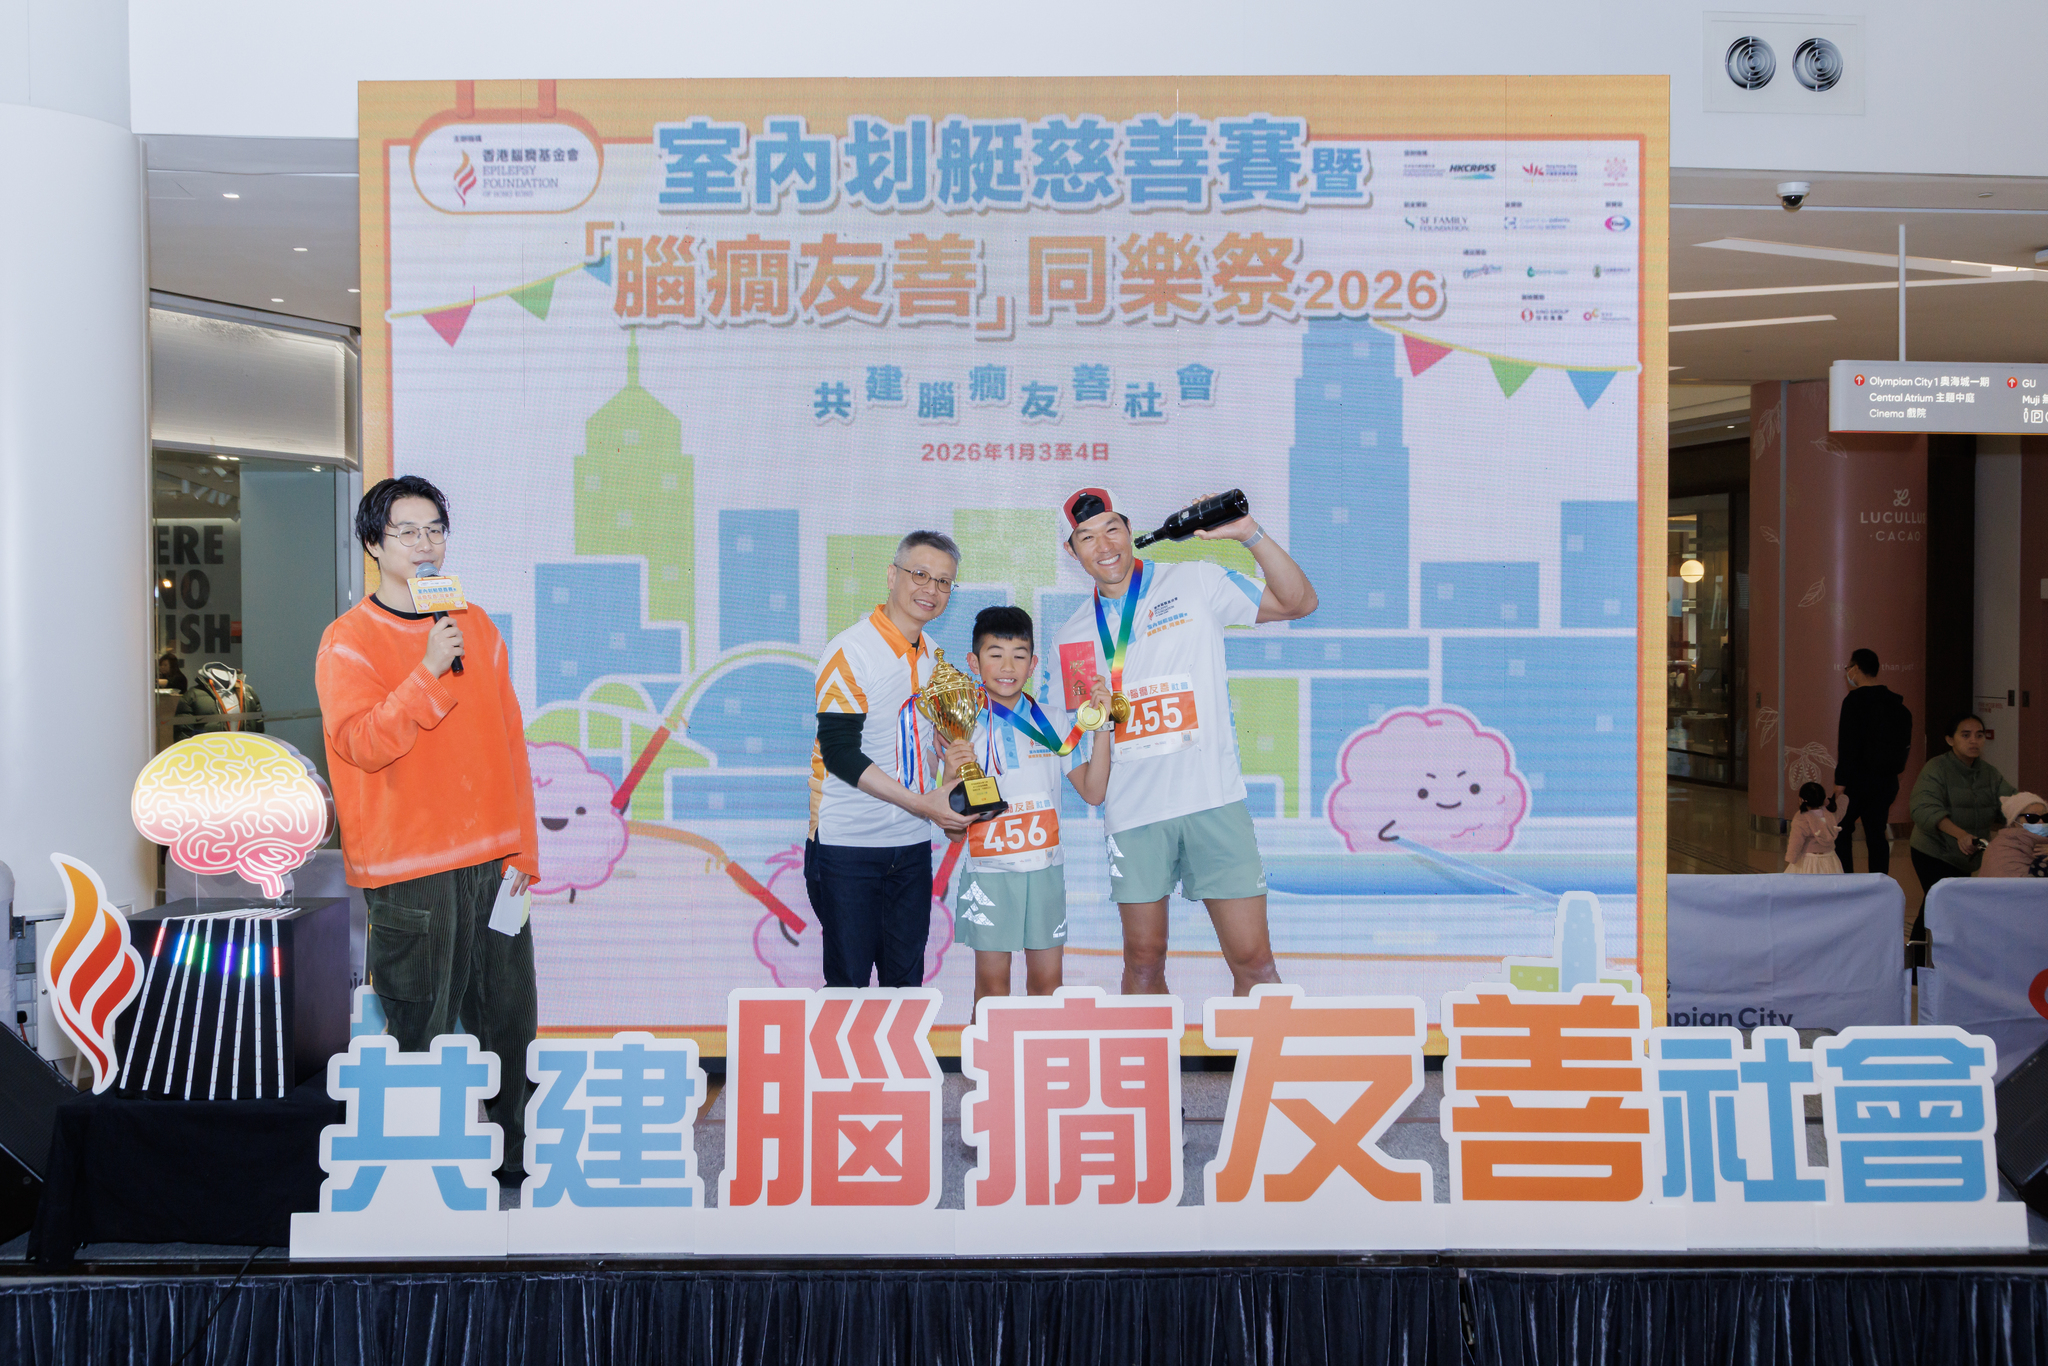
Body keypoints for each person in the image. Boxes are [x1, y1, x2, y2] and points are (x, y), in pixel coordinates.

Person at [315, 474, 539, 1187]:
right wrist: (427, 672)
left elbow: (509, 741)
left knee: (509, 1022)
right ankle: (418, 1174)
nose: (424, 544)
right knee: (422, 1028)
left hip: (493, 860)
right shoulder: (348, 641)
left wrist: (525, 848)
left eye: (435, 529)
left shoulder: (476, 626)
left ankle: (510, 1162)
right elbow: (361, 743)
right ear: (373, 545)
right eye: (407, 531)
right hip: (410, 868)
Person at [1052, 487, 1318, 997]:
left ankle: (1261, 1051)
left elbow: (1298, 602)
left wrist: (1248, 534)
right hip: (1134, 816)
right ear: (1072, 551)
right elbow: (1084, 741)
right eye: (1086, 537)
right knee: (1143, 963)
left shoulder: (1195, 580)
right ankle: (1146, 1053)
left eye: (1112, 529)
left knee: (1254, 962)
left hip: (1212, 801)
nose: (1104, 545)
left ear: (1129, 531)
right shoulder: (1072, 636)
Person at [808, 530, 975, 989]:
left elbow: (927, 750)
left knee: (906, 987)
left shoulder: (935, 657)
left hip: (911, 849)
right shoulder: (850, 650)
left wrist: (949, 779)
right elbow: (840, 752)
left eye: (944, 582)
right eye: (919, 574)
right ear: (891, 575)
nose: (931, 589)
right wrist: (923, 805)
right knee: (848, 989)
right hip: (847, 848)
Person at [938, 605, 1115, 1015]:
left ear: (1033, 664)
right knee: (991, 989)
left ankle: (1042, 1058)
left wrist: (1104, 726)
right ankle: (988, 1057)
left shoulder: (1052, 721)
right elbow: (953, 831)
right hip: (989, 874)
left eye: (1019, 655)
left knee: (1048, 987)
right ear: (973, 662)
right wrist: (948, 775)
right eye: (995, 654)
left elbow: (1093, 792)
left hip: (1044, 874)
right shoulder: (959, 726)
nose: (1007, 667)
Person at [1908, 714, 2015, 933]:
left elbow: (2013, 803)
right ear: (1950, 740)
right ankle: (1918, 952)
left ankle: (1945, 950)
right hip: (1933, 851)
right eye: (1965, 735)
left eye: (1979, 735)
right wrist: (1960, 835)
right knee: (1938, 902)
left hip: (1966, 854)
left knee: (1953, 906)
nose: (1974, 740)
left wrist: (2033, 813)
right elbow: (1925, 808)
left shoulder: (1989, 773)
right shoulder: (1936, 768)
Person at [1829, 648, 1912, 875]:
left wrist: (1840, 784)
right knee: (1876, 834)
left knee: (1841, 830)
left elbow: (1847, 745)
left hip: (1857, 780)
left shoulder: (1854, 702)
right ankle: (1879, 882)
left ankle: (1847, 882)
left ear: (1856, 668)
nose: (1848, 673)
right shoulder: (1897, 704)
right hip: (1886, 781)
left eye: (1848, 668)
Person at [172, 660, 265, 741]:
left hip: (244, 750)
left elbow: (258, 728)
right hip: (210, 752)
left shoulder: (248, 692)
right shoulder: (192, 696)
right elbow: (183, 734)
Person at [1977, 793, 2048, 879]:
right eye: (2032, 817)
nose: (2041, 822)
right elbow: (2018, 885)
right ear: (2014, 822)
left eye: (2045, 817)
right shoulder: (2002, 849)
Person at [1784, 782, 1844, 874]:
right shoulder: (1830, 814)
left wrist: (1791, 857)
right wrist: (1843, 796)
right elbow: (1842, 807)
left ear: (1801, 799)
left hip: (1808, 861)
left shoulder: (1801, 817)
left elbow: (1796, 840)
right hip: (1830, 859)